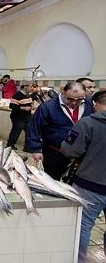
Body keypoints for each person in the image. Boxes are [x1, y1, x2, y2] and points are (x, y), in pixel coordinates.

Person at [61, 91, 106, 263]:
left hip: (90, 185)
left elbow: (70, 150)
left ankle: (79, 260)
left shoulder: (87, 123)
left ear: (94, 104)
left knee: (83, 226)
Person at [27, 82, 93, 180]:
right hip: (55, 152)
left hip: (80, 153)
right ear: (63, 92)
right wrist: (36, 149)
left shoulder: (88, 104)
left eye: (79, 99)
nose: (74, 103)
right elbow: (34, 128)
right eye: (70, 99)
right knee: (52, 179)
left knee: (74, 182)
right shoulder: (48, 107)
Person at [6, 81, 33, 150]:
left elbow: (29, 104)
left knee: (29, 132)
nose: (32, 88)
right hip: (18, 118)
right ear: (25, 87)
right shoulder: (17, 95)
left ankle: (27, 148)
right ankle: (9, 145)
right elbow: (11, 106)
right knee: (16, 132)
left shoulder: (28, 95)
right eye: (30, 87)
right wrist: (23, 108)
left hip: (27, 117)